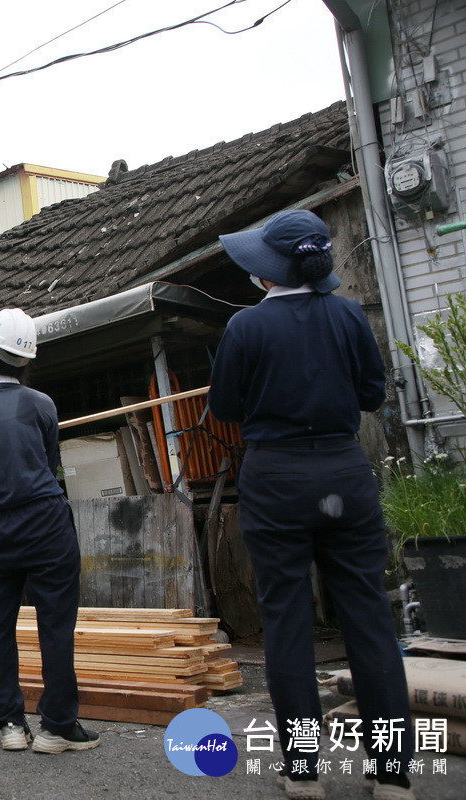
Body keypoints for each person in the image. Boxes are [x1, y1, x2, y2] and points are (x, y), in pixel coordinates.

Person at [209, 210, 414, 800]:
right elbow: (373, 394)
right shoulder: (348, 314)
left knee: (288, 622)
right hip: (343, 472)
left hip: (277, 476)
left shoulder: (246, 328)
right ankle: (393, 772)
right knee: (370, 619)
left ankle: (304, 771)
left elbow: (224, 408)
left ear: (269, 268)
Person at [0, 308, 99, 755]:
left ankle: (10, 724)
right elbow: (49, 465)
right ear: (24, 360)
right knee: (56, 623)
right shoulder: (43, 405)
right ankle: (57, 726)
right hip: (45, 520)